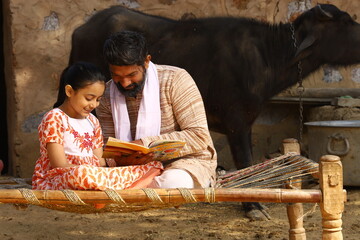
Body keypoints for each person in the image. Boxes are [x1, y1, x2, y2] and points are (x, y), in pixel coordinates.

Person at [97, 30, 217, 188]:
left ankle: (134, 189)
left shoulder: (175, 79)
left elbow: (199, 136)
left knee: (174, 181)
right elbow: (108, 149)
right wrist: (123, 159)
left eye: (132, 74)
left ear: (146, 62)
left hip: (184, 164)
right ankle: (137, 188)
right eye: (117, 76)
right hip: (130, 169)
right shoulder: (105, 94)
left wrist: (144, 144)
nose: (125, 83)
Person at [32, 62, 163, 190]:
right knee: (82, 174)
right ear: (69, 91)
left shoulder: (93, 121)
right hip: (60, 177)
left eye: (98, 99)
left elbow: (100, 162)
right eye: (89, 98)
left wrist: (111, 169)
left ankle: (105, 185)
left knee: (153, 166)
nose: (94, 105)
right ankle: (118, 186)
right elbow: (58, 165)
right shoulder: (55, 118)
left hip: (94, 174)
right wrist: (90, 171)